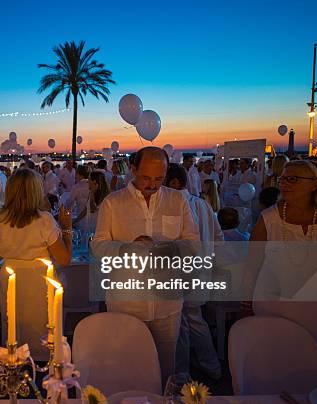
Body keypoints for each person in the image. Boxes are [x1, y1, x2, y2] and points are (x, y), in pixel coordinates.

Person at [92, 147, 200, 383]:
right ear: (133, 170)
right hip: (126, 303)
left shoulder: (178, 200)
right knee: (127, 366)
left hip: (167, 303)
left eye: (159, 178)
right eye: (146, 178)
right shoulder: (113, 203)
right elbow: (98, 246)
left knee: (165, 369)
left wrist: (169, 249)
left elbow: (193, 243)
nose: (152, 184)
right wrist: (126, 249)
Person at [248, 159, 317, 385]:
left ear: (314, 184)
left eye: (293, 179)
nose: (285, 184)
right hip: (274, 306)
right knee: (274, 366)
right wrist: (244, 302)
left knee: (316, 369)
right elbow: (253, 264)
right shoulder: (268, 218)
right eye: (283, 179)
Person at [0, 168, 72, 359]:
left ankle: (14, 365)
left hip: (11, 282)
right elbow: (64, 260)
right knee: (43, 329)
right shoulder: (45, 221)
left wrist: (10, 251)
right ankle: (44, 369)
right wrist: (67, 230)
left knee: (14, 327)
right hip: (40, 284)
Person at [164, 163, 223, 379]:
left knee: (181, 324)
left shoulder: (173, 208)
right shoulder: (204, 204)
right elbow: (219, 239)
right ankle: (211, 365)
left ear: (172, 183)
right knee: (195, 320)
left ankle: (181, 372)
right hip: (202, 271)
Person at [66, 165, 91, 230]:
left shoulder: (77, 187)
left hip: (80, 217)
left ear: (81, 175)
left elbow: (69, 202)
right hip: (92, 217)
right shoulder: (92, 184)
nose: (75, 176)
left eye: (76, 174)